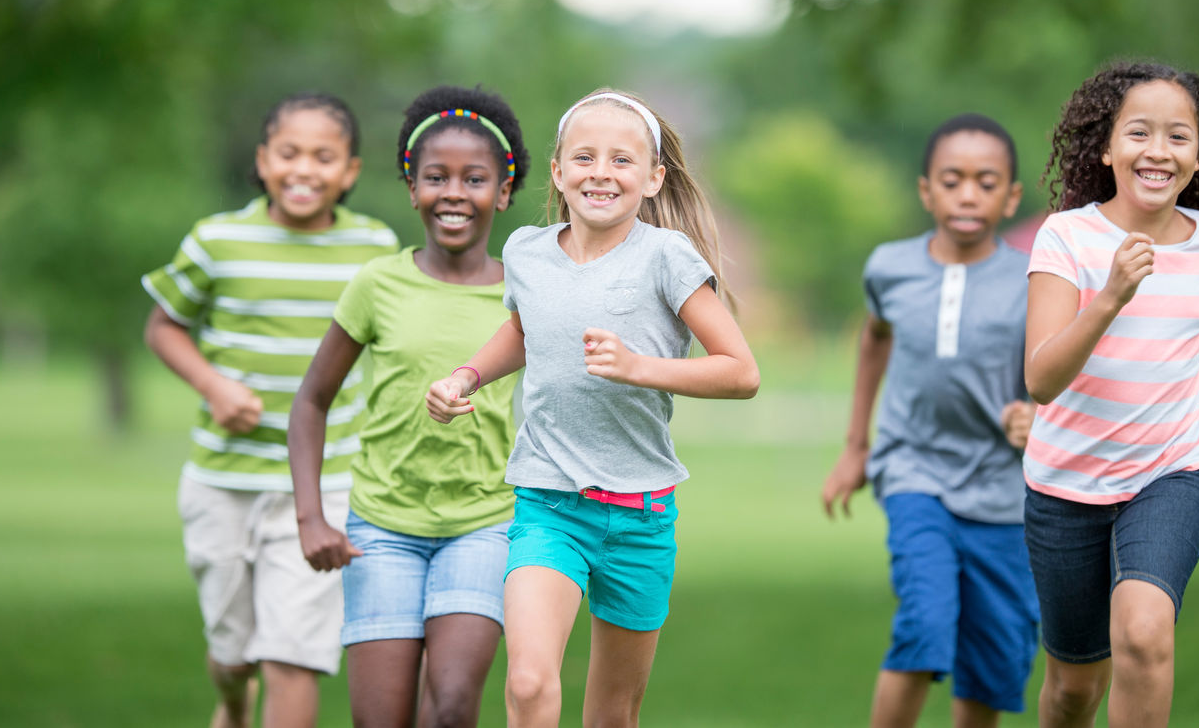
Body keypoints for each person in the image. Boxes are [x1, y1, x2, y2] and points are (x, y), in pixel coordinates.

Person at [426, 89, 760, 727]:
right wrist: (465, 377)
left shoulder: (666, 257)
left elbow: (741, 372)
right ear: (557, 170)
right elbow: (527, 331)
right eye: (583, 157)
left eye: (621, 160)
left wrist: (640, 368)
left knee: (611, 716)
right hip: (549, 501)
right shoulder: (526, 251)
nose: (600, 172)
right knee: (527, 682)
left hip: (640, 515)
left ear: (654, 179)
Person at [142, 93, 398, 728]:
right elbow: (163, 327)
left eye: (323, 157)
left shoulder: (374, 247)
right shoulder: (217, 240)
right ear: (263, 161)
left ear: (350, 172)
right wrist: (214, 386)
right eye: (288, 154)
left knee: (293, 655)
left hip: (324, 483)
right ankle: (232, 702)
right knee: (233, 655)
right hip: (223, 481)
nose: (303, 170)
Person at [287, 86, 531, 728]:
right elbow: (311, 401)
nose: (454, 192)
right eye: (436, 177)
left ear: (503, 192)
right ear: (411, 188)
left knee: (451, 707)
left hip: (483, 524)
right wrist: (312, 518)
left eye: (474, 178)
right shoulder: (377, 283)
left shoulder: (524, 295)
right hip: (381, 529)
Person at [1024, 61, 1199, 728]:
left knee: (1146, 632)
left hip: (1171, 469)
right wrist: (1112, 296)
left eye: (1178, 136)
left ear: (1197, 155)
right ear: (1106, 147)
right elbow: (1040, 379)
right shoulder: (1067, 238)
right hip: (1065, 486)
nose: (1159, 150)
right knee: (1073, 690)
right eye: (1140, 132)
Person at [821, 114, 1040, 728]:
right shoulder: (889, 268)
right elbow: (874, 340)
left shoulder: (1033, 279)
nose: (968, 194)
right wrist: (855, 446)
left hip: (1006, 492)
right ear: (926, 191)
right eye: (952, 180)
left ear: (1011, 196)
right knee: (925, 620)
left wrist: (1038, 414)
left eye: (986, 181)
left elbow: (1057, 370)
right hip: (913, 472)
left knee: (993, 658)